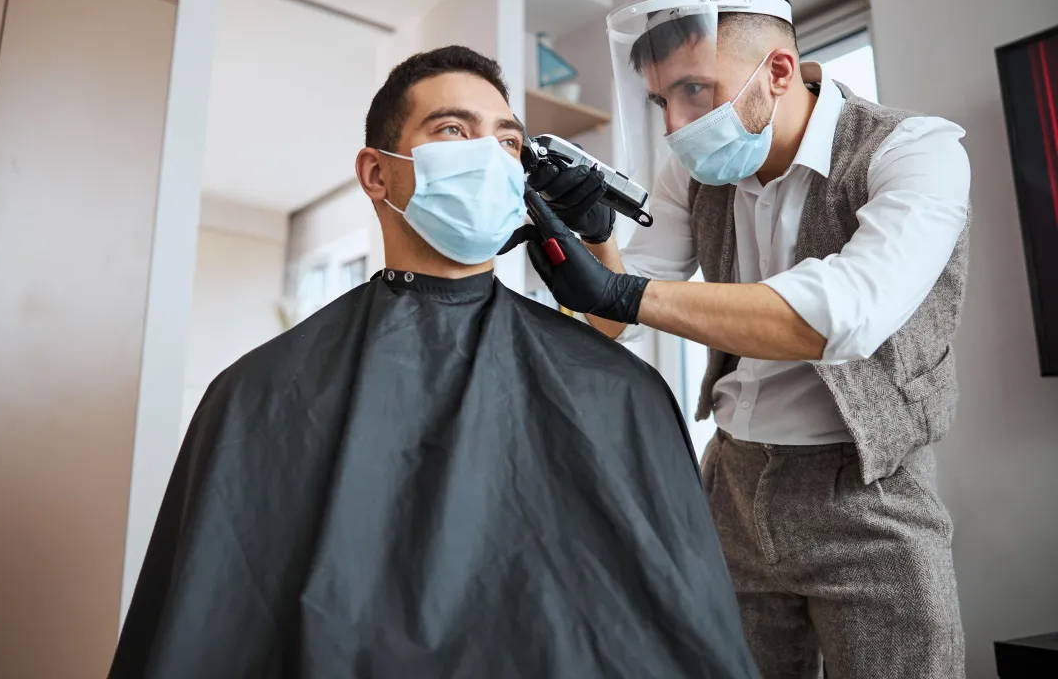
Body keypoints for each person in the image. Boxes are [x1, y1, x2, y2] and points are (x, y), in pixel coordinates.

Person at [109, 46, 758, 678]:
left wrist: (601, 248)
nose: (489, 156)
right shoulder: (257, 395)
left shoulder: (621, 391)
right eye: (453, 129)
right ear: (377, 173)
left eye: (508, 141)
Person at [512, 0, 970, 678]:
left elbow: (842, 316)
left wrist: (620, 292)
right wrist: (596, 235)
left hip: (868, 495)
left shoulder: (915, 152)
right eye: (661, 99)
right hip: (729, 482)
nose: (674, 125)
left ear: (778, 71)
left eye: (694, 91)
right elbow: (611, 320)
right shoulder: (694, 172)